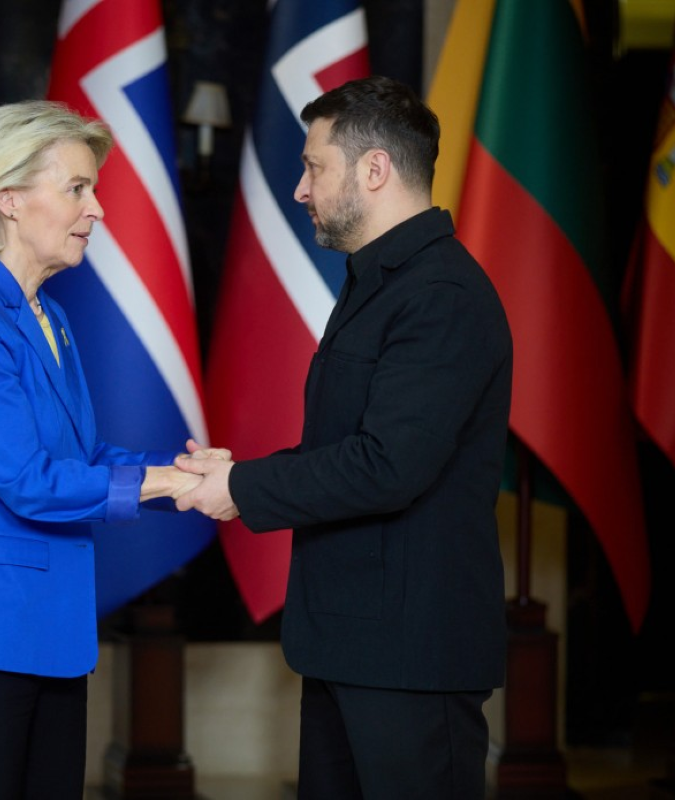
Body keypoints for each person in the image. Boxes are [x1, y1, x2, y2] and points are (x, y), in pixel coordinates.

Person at [176, 76, 513, 799]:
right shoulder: (381, 284)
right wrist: (240, 478)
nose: (301, 188)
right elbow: (351, 444)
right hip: (352, 647)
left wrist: (241, 489)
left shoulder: (440, 294)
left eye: (313, 166)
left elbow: (388, 466)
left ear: (375, 170)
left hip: (410, 659)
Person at [0, 100, 215, 799]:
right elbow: (29, 481)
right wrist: (161, 484)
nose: (96, 209)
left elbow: (86, 455)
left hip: (48, 637)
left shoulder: (50, 317)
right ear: (7, 199)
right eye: (77, 189)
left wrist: (190, 476)